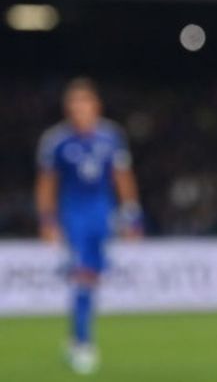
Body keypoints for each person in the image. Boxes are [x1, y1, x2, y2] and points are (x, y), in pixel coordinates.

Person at [35, 77, 143, 375]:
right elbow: (47, 183)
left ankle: (74, 339)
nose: (79, 108)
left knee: (91, 277)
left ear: (95, 105)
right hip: (73, 214)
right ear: (67, 108)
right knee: (83, 274)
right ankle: (83, 344)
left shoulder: (111, 137)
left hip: (102, 213)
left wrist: (131, 212)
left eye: (84, 102)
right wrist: (47, 219)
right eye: (74, 103)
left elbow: (122, 176)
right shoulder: (56, 140)